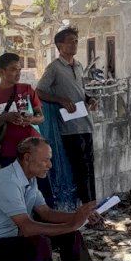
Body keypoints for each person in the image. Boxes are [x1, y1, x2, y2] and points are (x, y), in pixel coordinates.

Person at [0, 52, 54, 207]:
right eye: (13, 69)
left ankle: (49, 226)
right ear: (1, 71)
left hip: (34, 148)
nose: (18, 73)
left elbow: (41, 117)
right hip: (10, 150)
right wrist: (5, 117)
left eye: (19, 69)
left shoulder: (27, 89)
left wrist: (31, 119)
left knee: (43, 192)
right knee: (16, 194)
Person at [36, 27, 97, 204]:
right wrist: (60, 100)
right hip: (68, 127)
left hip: (85, 122)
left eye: (76, 40)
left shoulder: (78, 66)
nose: (74, 44)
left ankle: (92, 205)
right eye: (70, 41)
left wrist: (90, 98)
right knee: (80, 168)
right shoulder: (54, 68)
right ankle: (86, 208)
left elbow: (81, 91)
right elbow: (39, 91)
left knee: (89, 166)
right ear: (60, 45)